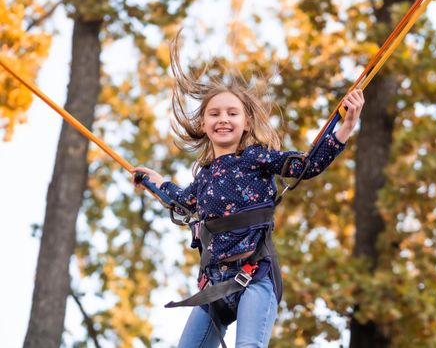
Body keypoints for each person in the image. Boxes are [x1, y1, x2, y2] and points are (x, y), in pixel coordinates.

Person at [132, 39, 364, 348]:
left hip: (255, 276)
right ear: (204, 123)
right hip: (214, 287)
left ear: (246, 122)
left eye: (232, 113)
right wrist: (156, 182)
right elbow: (180, 200)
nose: (223, 119)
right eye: (215, 114)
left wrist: (345, 126)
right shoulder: (204, 177)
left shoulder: (257, 158)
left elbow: (306, 166)